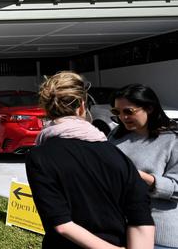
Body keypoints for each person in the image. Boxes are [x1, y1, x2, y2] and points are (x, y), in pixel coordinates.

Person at [26, 71, 155, 249]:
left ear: (47, 109)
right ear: (82, 105)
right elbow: (140, 217)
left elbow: (62, 224)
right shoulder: (115, 154)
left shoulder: (40, 156)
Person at [108, 84, 178, 249]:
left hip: (159, 233)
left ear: (150, 108)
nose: (123, 117)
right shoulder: (115, 135)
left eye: (129, 111)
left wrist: (141, 177)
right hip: (119, 228)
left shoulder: (172, 139)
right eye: (117, 112)